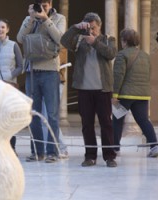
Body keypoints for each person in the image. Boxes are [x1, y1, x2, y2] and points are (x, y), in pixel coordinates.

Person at [61, 12, 118, 167]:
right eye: (89, 28)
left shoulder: (108, 39)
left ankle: (110, 156)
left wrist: (95, 42)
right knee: (87, 124)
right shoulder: (80, 41)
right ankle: (90, 156)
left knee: (106, 123)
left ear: (99, 26)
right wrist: (75, 28)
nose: (91, 31)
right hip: (84, 89)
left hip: (103, 89)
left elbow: (111, 54)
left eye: (94, 28)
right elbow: (64, 41)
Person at [16, 0, 66, 163]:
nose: (42, 8)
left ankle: (53, 152)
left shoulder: (59, 18)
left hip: (50, 70)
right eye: (39, 4)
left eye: (45, 4)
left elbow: (60, 39)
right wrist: (31, 19)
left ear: (50, 3)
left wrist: (46, 19)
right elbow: (20, 39)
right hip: (32, 71)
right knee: (33, 114)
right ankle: (37, 152)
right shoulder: (29, 18)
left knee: (51, 114)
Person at [112, 28, 158, 158]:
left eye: (122, 40)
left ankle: (115, 148)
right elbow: (149, 74)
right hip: (142, 95)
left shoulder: (122, 55)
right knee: (143, 120)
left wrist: (115, 95)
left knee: (117, 119)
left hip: (125, 96)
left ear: (125, 41)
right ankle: (154, 146)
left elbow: (118, 75)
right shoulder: (145, 55)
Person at [0, 18, 24, 154]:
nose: (0, 30)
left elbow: (21, 66)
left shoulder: (14, 46)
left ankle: (11, 148)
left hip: (9, 86)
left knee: (10, 117)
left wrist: (10, 75)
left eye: (3, 27)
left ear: (7, 30)